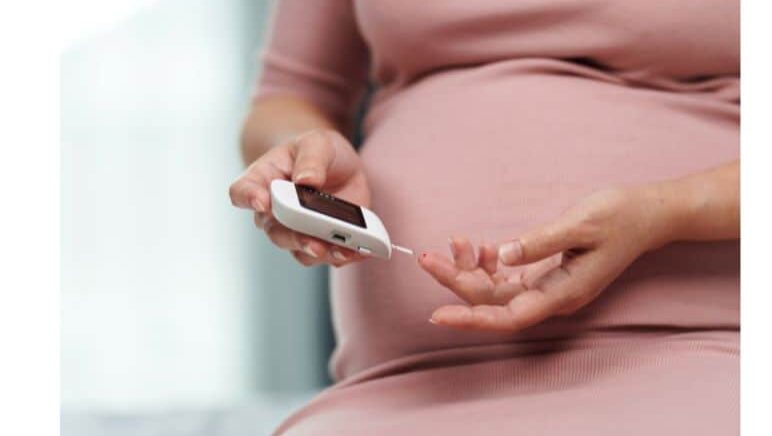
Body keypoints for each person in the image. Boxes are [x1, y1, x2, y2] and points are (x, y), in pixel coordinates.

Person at [229, 1, 739, 434]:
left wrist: (662, 214)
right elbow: (287, 98)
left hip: (701, 351)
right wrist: (303, 159)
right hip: (402, 388)